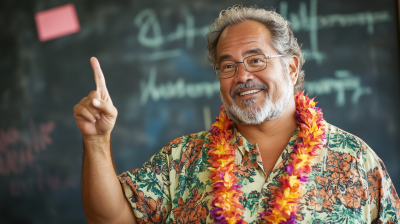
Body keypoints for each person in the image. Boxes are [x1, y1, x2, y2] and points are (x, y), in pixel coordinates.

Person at [73, 5, 400, 224]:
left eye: (256, 60)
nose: (242, 76)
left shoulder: (355, 160)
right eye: (228, 65)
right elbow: (110, 219)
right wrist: (97, 140)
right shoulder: (183, 158)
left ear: (291, 66)